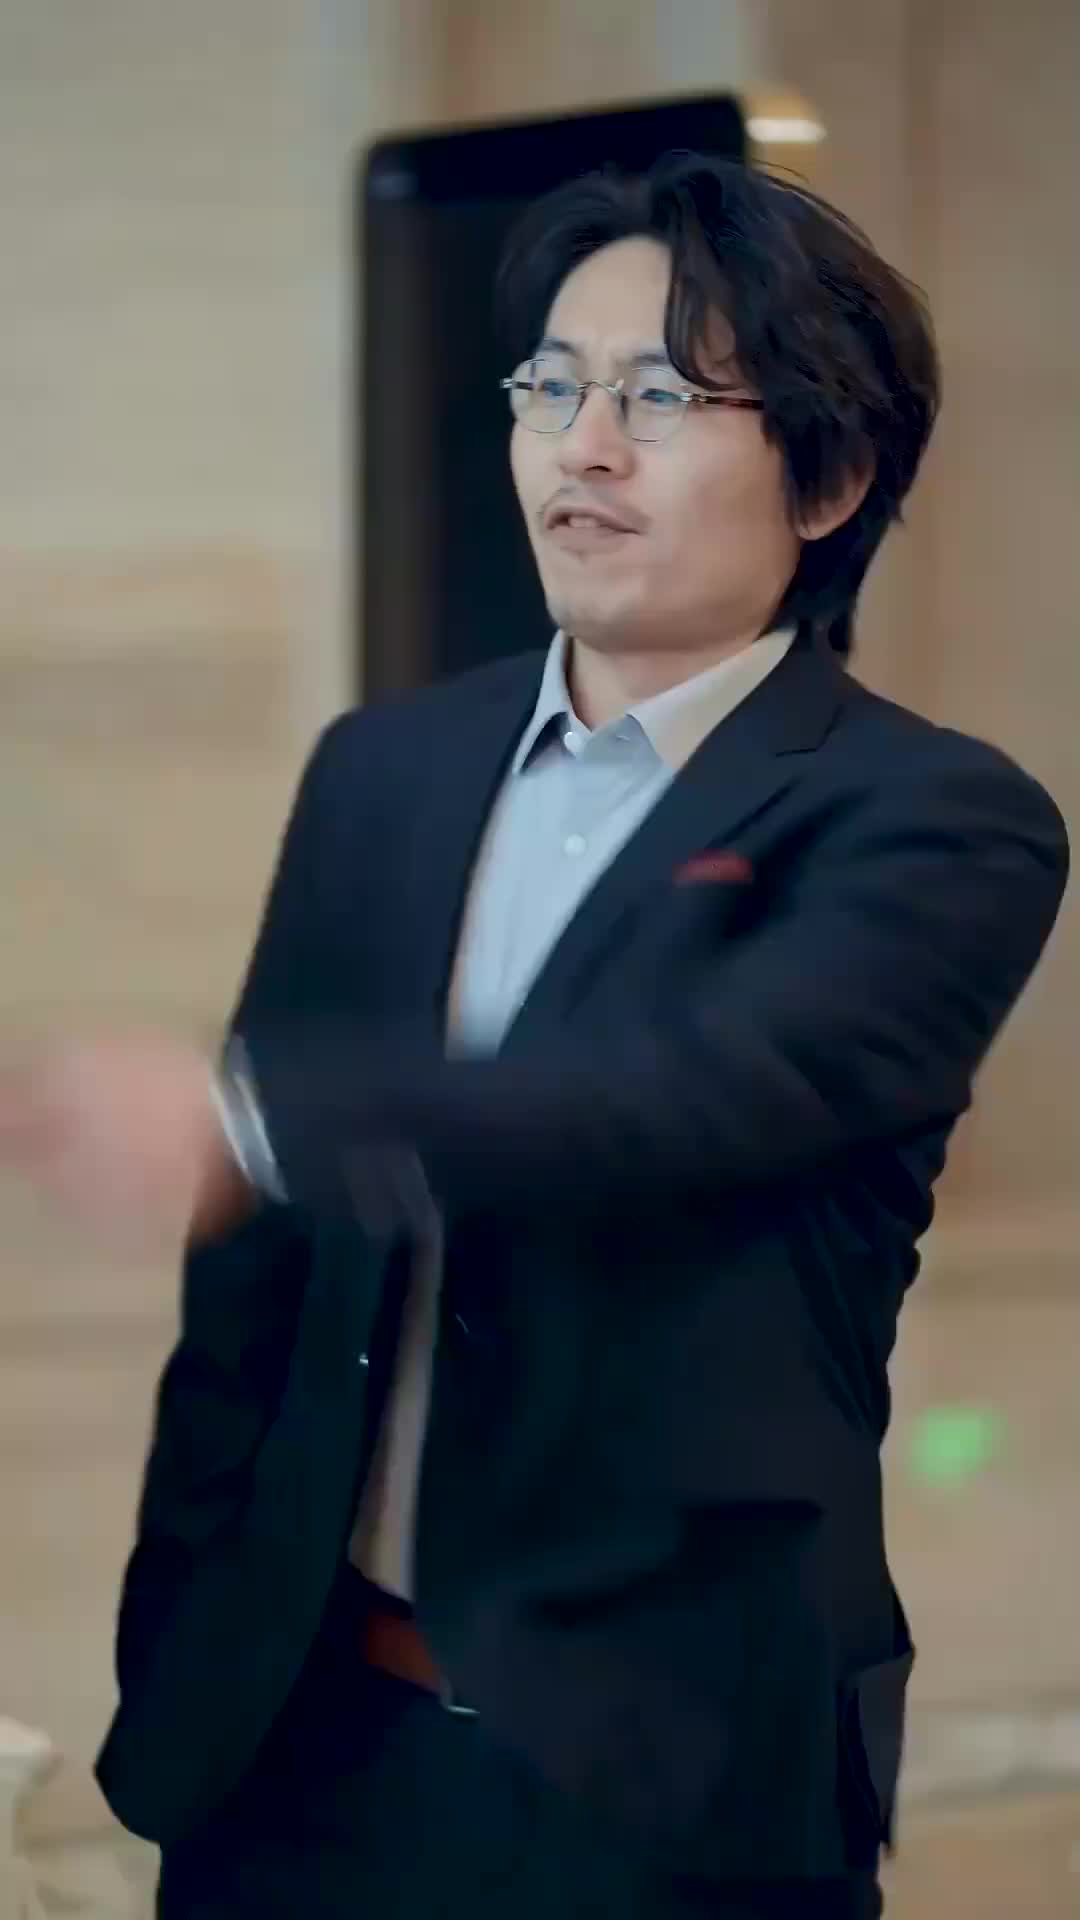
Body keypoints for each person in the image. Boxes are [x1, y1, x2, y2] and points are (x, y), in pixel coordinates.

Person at [0, 155, 1068, 1918]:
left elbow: (699, 1095)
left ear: (830, 478)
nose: (585, 449)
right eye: (551, 388)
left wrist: (254, 1120)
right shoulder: (386, 771)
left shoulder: (935, 820)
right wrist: (186, 1644)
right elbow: (258, 1291)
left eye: (662, 399)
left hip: (651, 1781)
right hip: (294, 1736)